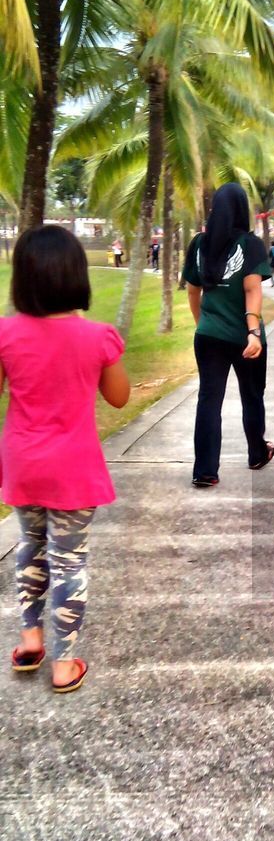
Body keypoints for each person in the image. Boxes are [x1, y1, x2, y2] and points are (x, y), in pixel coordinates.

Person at [0, 225, 131, 693]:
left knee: (29, 549)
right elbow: (119, 398)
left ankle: (30, 640)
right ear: (77, 277)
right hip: (73, 468)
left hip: (21, 462)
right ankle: (65, 662)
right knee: (69, 562)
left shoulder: (5, 333)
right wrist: (106, 357)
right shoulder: (97, 337)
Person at [182, 183, 274, 488]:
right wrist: (253, 334)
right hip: (243, 337)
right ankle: (257, 453)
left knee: (209, 400)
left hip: (208, 337)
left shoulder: (199, 244)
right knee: (252, 395)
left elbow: (193, 290)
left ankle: (205, 471)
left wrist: (202, 323)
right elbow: (251, 289)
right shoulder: (251, 245)